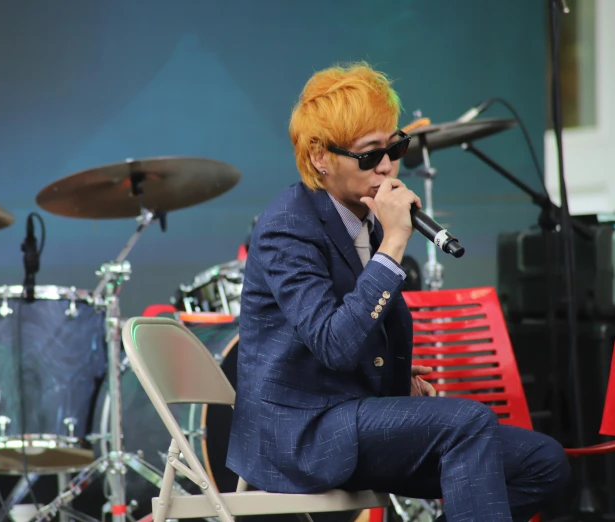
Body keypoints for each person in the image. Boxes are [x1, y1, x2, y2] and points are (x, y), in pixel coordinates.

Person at [226, 62, 570, 522]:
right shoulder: (288, 227)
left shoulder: (364, 218)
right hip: (303, 436)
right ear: (319, 158)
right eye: (369, 155)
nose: (387, 165)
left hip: (351, 417)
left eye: (394, 147)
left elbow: (360, 337)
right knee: (467, 424)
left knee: (543, 463)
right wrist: (392, 246)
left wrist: (397, 378)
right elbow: (333, 344)